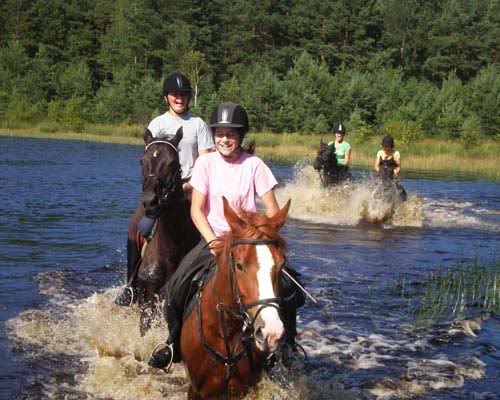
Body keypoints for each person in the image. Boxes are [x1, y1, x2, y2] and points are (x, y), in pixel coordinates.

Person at [148, 102, 304, 370]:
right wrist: (211, 241)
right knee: (176, 286)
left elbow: (272, 210)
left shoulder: (255, 165)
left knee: (290, 289)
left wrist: (260, 236)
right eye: (219, 134)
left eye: (230, 134)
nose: (224, 140)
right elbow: (197, 210)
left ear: (240, 136)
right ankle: (173, 344)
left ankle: (286, 346)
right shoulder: (206, 163)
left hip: (248, 243)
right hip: (215, 240)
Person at [115, 72, 214, 306]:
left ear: (188, 97)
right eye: (174, 94)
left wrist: (191, 184)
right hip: (160, 192)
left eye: (183, 94)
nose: (179, 98)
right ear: (166, 97)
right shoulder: (157, 123)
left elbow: (206, 159)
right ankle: (131, 285)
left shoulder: (198, 124)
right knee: (135, 228)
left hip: (190, 190)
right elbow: (150, 161)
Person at [374, 135, 407, 201]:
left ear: (391, 146)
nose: (385, 148)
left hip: (392, 176)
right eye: (384, 147)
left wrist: (393, 173)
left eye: (387, 147)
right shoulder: (380, 153)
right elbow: (376, 166)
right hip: (382, 175)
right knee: (375, 188)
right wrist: (381, 173)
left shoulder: (396, 153)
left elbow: (398, 167)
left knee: (396, 187)